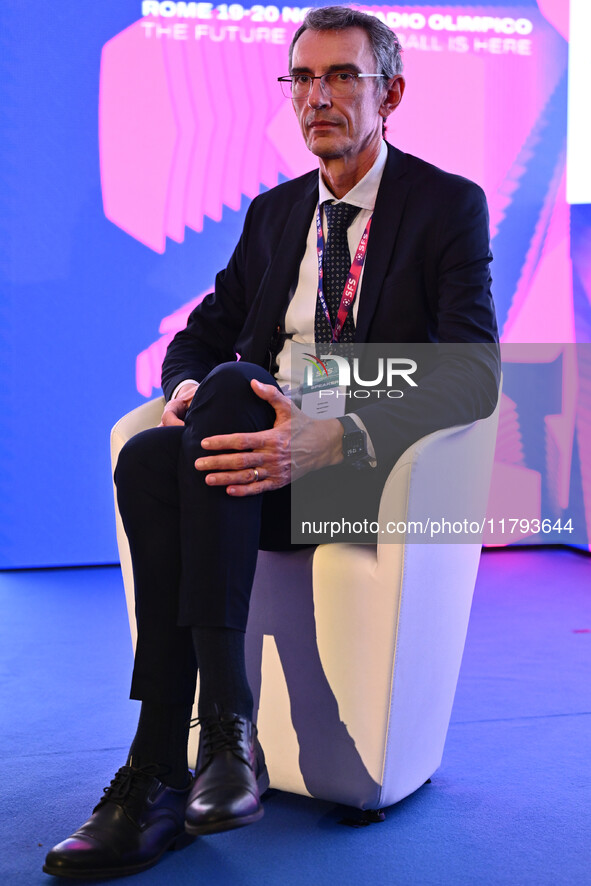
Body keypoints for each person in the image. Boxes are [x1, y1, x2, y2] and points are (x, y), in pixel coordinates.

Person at [44, 6, 499, 880]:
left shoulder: (446, 206)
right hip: (253, 465)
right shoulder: (273, 212)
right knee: (166, 435)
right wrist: (183, 386)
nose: (316, 97)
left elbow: (471, 372)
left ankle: (169, 765)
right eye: (301, 78)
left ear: (389, 93)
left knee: (197, 424)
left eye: (341, 77)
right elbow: (204, 331)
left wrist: (336, 436)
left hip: (357, 473)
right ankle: (207, 753)